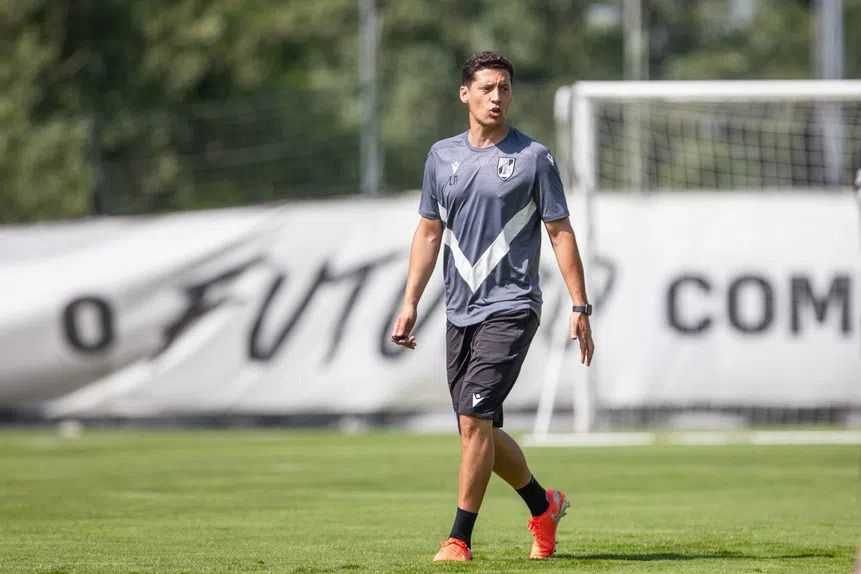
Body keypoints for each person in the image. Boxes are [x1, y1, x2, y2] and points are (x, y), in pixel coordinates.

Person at [390, 51, 595, 562]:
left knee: (475, 422)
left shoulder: (533, 158)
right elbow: (429, 231)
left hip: (513, 306)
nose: (496, 97)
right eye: (486, 88)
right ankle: (542, 505)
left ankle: (459, 538)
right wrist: (410, 300)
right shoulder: (441, 158)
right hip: (460, 310)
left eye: (504, 88)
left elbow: (560, 231)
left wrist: (580, 305)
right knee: (473, 424)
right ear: (465, 94)